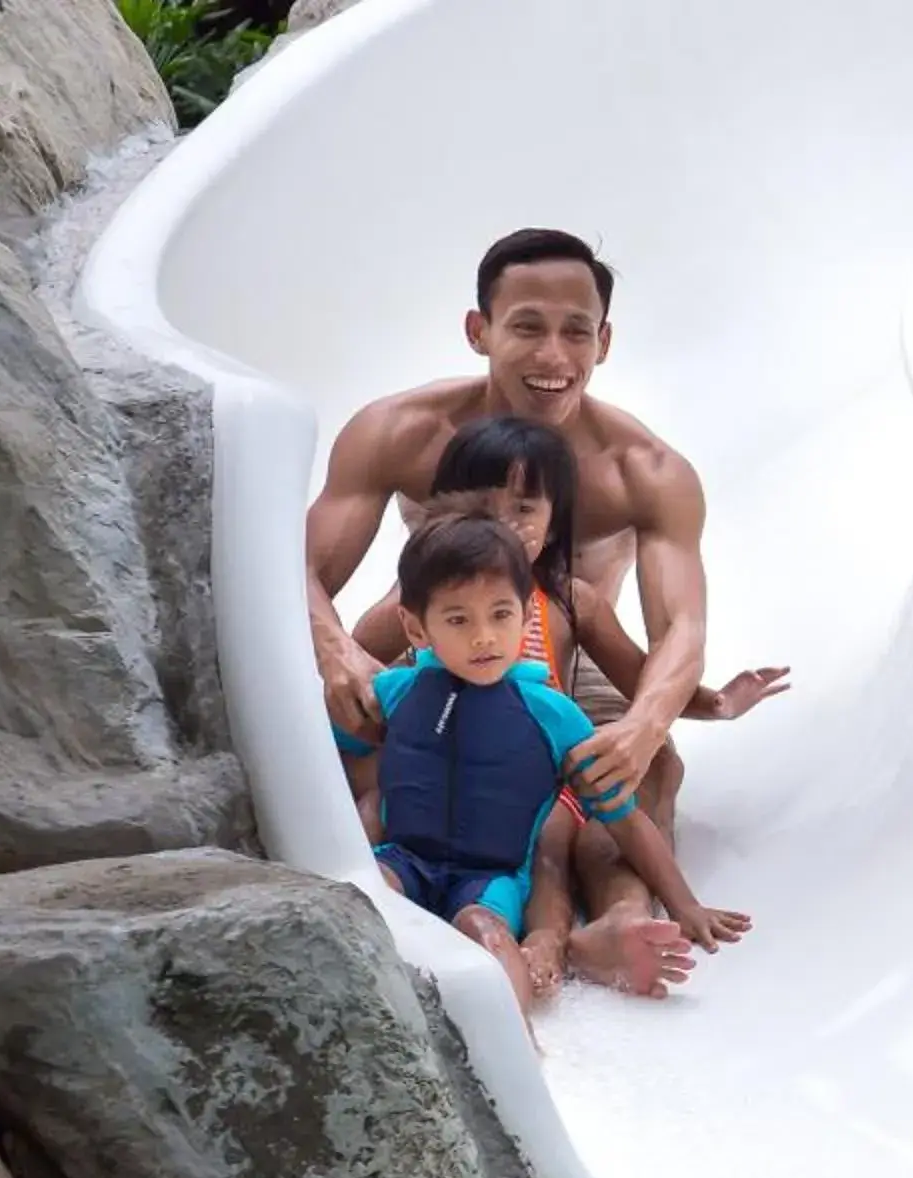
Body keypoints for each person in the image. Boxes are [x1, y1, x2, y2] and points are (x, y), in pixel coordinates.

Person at [305, 228, 728, 994]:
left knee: (641, 771)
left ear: (604, 341)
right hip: (434, 637)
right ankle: (371, 883)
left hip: (572, 657)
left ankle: (616, 925)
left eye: (576, 332)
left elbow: (682, 629)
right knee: (341, 731)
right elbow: (297, 572)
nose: (553, 356)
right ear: (480, 331)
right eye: (527, 326)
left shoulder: (645, 471)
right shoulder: (400, 433)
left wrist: (643, 724)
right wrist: (336, 651)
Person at [346, 416, 789, 994]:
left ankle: (556, 944)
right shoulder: (417, 601)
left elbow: (640, 679)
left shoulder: (569, 601)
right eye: (486, 509)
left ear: (554, 519)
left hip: (533, 758)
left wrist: (717, 704)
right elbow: (356, 667)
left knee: (550, 845)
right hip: (444, 758)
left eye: (525, 509)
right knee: (385, 799)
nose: (506, 524)